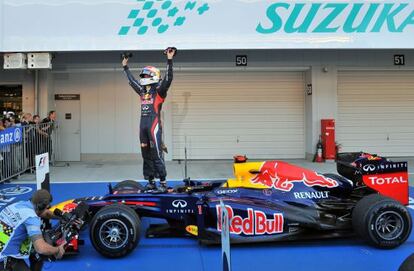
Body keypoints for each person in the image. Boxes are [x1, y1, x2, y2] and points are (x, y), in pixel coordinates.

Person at [122, 47, 176, 191]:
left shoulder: (159, 91)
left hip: (154, 125)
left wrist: (169, 60)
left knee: (157, 155)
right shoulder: (142, 91)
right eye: (143, 76)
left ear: (153, 76)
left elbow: (168, 79)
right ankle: (151, 181)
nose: (143, 78)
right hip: (142, 126)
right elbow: (132, 81)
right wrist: (125, 67)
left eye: (146, 76)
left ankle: (163, 183)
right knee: (145, 155)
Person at [0, 189, 65, 271]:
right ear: (41, 207)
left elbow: (44, 213)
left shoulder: (19, 205)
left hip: (3, 249)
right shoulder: (31, 218)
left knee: (33, 253)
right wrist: (57, 250)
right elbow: (41, 248)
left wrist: (62, 217)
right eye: (47, 207)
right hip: (5, 259)